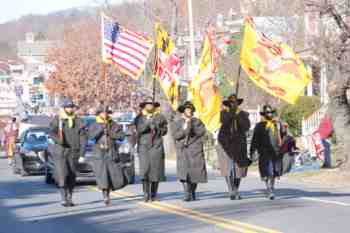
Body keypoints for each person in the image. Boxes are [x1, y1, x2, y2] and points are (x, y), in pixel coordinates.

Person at [49, 99, 85, 207]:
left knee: (72, 176)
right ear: (64, 108)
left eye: (71, 107)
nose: (69, 109)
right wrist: (58, 140)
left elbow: (83, 137)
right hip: (61, 152)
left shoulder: (78, 121)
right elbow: (51, 132)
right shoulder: (58, 119)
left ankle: (69, 197)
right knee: (62, 175)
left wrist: (82, 153)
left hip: (74, 152)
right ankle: (63, 198)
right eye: (67, 107)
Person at [89, 105, 126, 206]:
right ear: (99, 114)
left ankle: (109, 191)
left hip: (111, 152)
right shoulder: (94, 124)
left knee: (112, 175)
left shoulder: (113, 124)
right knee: (103, 176)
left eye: (106, 113)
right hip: (99, 153)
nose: (104, 115)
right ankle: (106, 196)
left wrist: (110, 132)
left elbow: (122, 136)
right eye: (102, 113)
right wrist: (101, 129)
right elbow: (91, 136)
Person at [216, 94, 251, 200]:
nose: (233, 104)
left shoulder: (243, 114)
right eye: (231, 103)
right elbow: (225, 122)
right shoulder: (224, 113)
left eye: (235, 103)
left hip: (239, 144)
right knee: (227, 168)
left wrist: (238, 114)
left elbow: (246, 127)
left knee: (239, 169)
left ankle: (236, 189)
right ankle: (230, 189)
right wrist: (232, 113)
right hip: (226, 144)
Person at [172, 101, 207, 202]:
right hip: (183, 150)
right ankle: (187, 193)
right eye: (187, 109)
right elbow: (175, 135)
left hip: (195, 150)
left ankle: (192, 191)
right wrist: (184, 129)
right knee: (184, 173)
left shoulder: (197, 121)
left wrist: (192, 127)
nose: (189, 111)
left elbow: (202, 132)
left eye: (191, 110)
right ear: (183, 111)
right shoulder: (178, 122)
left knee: (195, 173)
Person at [134, 98, 168, 202]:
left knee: (155, 171)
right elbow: (139, 129)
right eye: (148, 105)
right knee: (145, 171)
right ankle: (146, 193)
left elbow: (164, 131)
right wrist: (148, 123)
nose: (150, 106)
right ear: (144, 106)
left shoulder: (160, 117)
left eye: (151, 105)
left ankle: (153, 194)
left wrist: (157, 127)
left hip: (156, 146)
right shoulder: (139, 117)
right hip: (144, 146)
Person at [250, 104, 284, 200]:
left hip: (275, 151)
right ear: (264, 114)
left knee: (273, 171)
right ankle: (269, 188)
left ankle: (271, 188)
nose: (269, 114)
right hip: (264, 152)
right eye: (267, 112)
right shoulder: (259, 126)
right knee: (266, 172)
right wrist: (252, 151)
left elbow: (282, 135)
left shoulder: (277, 124)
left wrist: (282, 127)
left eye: (271, 112)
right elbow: (254, 140)